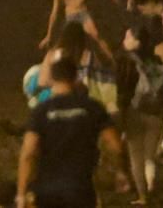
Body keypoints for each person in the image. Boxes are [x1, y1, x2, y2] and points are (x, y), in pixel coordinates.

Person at [16, 55, 122, 208]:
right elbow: (115, 145)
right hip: (80, 190)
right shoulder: (92, 107)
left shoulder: (41, 111)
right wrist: (120, 172)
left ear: (52, 78)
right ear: (75, 77)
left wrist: (21, 192)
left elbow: (29, 152)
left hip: (47, 191)